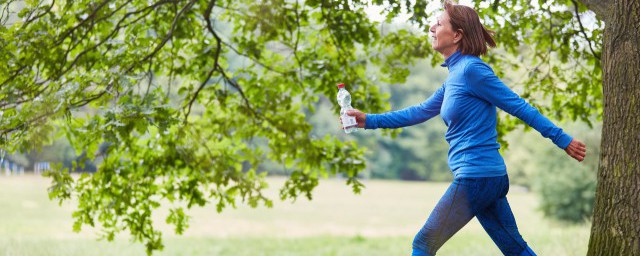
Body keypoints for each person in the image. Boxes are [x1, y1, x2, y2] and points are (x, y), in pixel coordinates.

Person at [343, 1, 587, 255]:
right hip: (486, 177)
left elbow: (519, 106)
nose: (431, 28)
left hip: (477, 176)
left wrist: (563, 140)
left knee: (423, 243)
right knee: (515, 248)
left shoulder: (472, 70)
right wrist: (369, 120)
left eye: (438, 23)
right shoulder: (455, 76)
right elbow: (420, 111)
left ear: (457, 35)